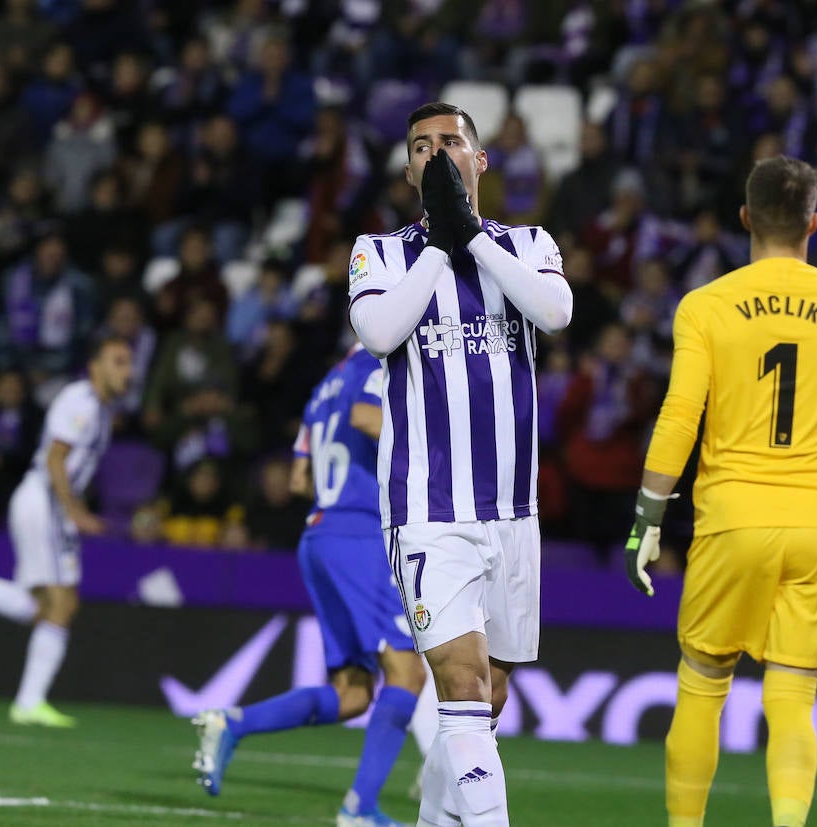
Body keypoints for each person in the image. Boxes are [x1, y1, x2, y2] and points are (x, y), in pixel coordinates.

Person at [625, 155, 817, 827]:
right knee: (792, 696)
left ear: (745, 219)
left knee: (701, 685)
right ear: (814, 222)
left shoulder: (706, 306)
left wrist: (647, 518)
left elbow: (678, 418)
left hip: (732, 520)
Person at [347, 102, 572, 827]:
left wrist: (471, 237)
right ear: (410, 169)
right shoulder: (378, 254)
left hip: (512, 511)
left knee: (489, 693)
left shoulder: (530, 243)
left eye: (451, 142)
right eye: (421, 146)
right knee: (460, 680)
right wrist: (443, 245)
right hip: (426, 507)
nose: (436, 152)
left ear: (481, 160)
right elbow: (380, 330)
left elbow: (556, 312)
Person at [193, 345, 433, 826]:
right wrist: (431, 447)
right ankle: (359, 808)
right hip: (359, 533)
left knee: (353, 694)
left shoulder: (322, 389)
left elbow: (300, 478)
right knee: (408, 672)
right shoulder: (376, 366)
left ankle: (232, 725)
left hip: (319, 534)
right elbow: (368, 417)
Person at [0, 335, 133, 727]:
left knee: (44, 609)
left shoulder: (100, 410)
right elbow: (55, 457)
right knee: (61, 604)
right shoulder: (80, 401)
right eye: (117, 361)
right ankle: (29, 703)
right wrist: (74, 511)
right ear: (95, 365)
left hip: (48, 504)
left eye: (129, 362)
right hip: (45, 501)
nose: (126, 371)